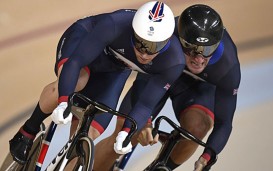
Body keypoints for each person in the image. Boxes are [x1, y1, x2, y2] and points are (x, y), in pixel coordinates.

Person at [8, 1, 186, 168]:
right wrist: (64, 100)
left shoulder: (174, 62)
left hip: (115, 68)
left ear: (168, 40)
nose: (145, 53)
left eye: (153, 46)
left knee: (91, 132)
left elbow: (146, 104)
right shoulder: (115, 23)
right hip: (85, 41)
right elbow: (76, 62)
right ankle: (27, 131)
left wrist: (126, 132)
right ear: (133, 30)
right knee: (77, 82)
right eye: (140, 42)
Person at [95, 4, 241, 171]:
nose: (199, 59)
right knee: (124, 132)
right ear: (181, 39)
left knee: (197, 128)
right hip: (158, 76)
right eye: (192, 50)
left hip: (196, 89)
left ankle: (161, 168)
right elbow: (144, 78)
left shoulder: (228, 67)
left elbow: (224, 122)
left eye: (207, 51)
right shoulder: (166, 34)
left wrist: (208, 156)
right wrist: (145, 120)